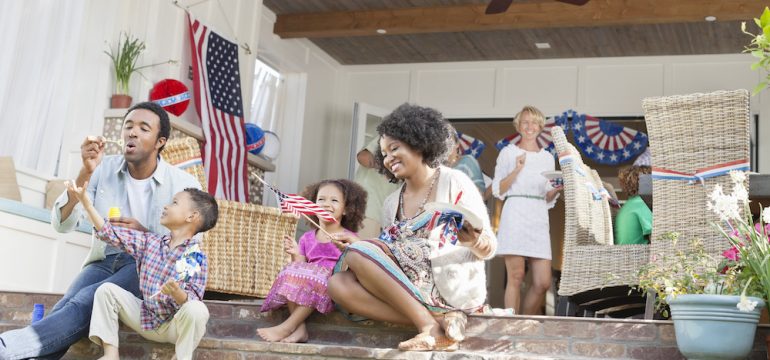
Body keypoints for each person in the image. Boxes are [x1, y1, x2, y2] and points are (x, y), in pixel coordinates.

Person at [0, 102, 201, 360]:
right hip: (103, 258)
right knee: (66, 307)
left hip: (145, 264)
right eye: (128, 126)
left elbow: (192, 244)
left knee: (86, 300)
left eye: (143, 128)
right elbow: (61, 224)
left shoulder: (184, 185)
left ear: (160, 141)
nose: (132, 132)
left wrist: (147, 236)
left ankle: (5, 348)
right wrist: (86, 170)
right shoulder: (102, 169)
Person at [328, 103, 497, 352]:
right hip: (409, 286)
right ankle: (438, 321)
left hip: (449, 284)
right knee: (338, 284)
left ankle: (430, 327)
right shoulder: (390, 202)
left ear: (419, 143)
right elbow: (387, 253)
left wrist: (472, 240)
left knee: (359, 253)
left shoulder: (454, 180)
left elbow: (489, 247)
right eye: (384, 153)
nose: (387, 159)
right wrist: (359, 247)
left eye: (395, 148)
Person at [66, 183, 216, 360]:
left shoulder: (195, 256)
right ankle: (110, 354)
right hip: (146, 319)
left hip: (174, 326)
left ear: (192, 216)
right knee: (106, 290)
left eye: (175, 203)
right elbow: (109, 232)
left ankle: (181, 356)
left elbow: (191, 300)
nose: (166, 206)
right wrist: (87, 204)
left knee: (197, 310)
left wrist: (177, 293)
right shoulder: (149, 242)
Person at [257, 179, 367, 343]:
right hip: (309, 285)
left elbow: (352, 265)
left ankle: (287, 327)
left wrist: (347, 246)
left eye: (334, 200)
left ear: (346, 209)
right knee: (291, 271)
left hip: (331, 286)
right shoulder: (307, 238)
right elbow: (302, 264)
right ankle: (300, 329)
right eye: (321, 199)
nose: (326, 204)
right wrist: (296, 253)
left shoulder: (348, 237)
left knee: (318, 278)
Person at [492, 105, 562, 315]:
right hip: (515, 212)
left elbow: (548, 195)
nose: (529, 126)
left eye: (534, 122)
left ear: (540, 127)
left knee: (542, 282)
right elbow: (498, 189)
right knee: (516, 276)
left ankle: (524, 322)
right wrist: (517, 169)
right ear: (518, 126)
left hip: (538, 216)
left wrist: (557, 190)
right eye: (525, 122)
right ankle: (512, 326)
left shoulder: (548, 157)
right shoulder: (508, 152)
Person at [354, 138, 399, 239]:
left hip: (389, 217)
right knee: (364, 251)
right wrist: (389, 164)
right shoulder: (391, 135)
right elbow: (363, 157)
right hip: (369, 210)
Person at [614, 165, 653, 245]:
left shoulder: (629, 204)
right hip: (639, 255)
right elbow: (657, 235)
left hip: (626, 253)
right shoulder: (641, 204)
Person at [446, 132, 489, 199]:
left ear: (457, 143)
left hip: (462, 207)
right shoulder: (437, 166)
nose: (446, 144)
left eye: (449, 141)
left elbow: (480, 194)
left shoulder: (467, 161)